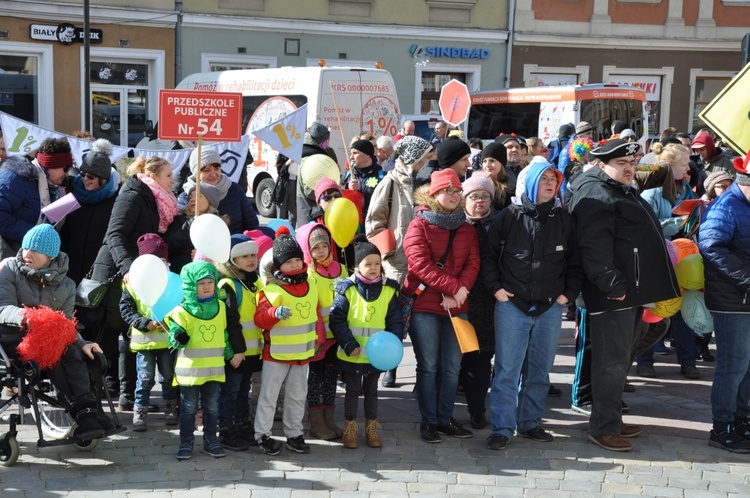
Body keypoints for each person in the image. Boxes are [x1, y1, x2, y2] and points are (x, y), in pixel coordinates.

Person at [567, 139, 680, 452]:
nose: (630, 168)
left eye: (632, 163)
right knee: (611, 362)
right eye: (622, 164)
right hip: (613, 294)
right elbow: (593, 246)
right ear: (603, 165)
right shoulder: (597, 193)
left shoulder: (619, 188)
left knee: (628, 351)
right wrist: (612, 284)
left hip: (632, 292)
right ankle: (603, 427)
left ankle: (611, 419)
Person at [482, 160, 582, 450]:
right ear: (531, 182)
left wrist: (567, 294)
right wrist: (496, 289)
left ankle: (530, 423)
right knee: (507, 370)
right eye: (545, 179)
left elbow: (575, 261)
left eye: (554, 179)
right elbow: (488, 257)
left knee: (539, 370)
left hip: (550, 307)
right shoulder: (508, 217)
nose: (550, 184)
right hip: (512, 305)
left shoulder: (564, 218)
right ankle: (502, 427)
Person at [0, 224, 113, 439]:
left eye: (35, 250)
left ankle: (89, 413)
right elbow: (2, 308)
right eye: (25, 248)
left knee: (76, 352)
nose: (27, 254)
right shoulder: (10, 269)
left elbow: (67, 325)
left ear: (51, 256)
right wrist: (31, 318)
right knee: (58, 351)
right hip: (13, 341)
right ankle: (86, 414)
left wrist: (82, 343)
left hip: (49, 341)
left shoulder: (67, 285)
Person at [92, 156, 180, 411]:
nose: (172, 180)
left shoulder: (155, 198)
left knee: (129, 335)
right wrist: (128, 267)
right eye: (168, 175)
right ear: (152, 176)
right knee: (115, 334)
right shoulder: (134, 194)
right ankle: (102, 399)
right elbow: (115, 233)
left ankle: (127, 396)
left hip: (138, 274)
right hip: (116, 272)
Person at [402, 168, 480, 443]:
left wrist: (461, 291)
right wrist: (454, 288)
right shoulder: (419, 224)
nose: (453, 194)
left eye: (457, 190)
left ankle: (445, 419)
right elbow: (419, 265)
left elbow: (473, 262)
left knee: (452, 368)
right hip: (426, 307)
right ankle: (429, 421)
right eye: (448, 190)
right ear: (434, 192)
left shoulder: (466, 227)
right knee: (429, 366)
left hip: (457, 305)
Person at [365, 135, 433, 388]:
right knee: (394, 317)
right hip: (398, 263)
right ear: (414, 156)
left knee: (422, 320)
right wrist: (389, 252)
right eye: (426, 154)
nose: (430, 159)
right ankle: (389, 365)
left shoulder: (427, 181)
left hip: (425, 263)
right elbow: (374, 222)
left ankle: (422, 375)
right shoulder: (391, 183)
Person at [253, 232, 325, 455]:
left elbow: (316, 315)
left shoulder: (312, 285)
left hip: (303, 354)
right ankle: (262, 435)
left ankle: (294, 434)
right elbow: (260, 319)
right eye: (288, 262)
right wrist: (274, 312)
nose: (294, 265)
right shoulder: (270, 291)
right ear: (278, 266)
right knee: (269, 396)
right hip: (275, 355)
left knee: (297, 396)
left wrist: (318, 339)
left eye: (296, 260)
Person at [329, 235, 403, 448]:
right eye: (367, 264)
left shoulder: (389, 290)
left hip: (376, 357)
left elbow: (395, 322)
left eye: (377, 264)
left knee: (372, 391)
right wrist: (349, 343)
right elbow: (337, 319)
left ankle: (371, 429)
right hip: (352, 353)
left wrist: (394, 346)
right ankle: (350, 429)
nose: (373, 268)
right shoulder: (347, 289)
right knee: (352, 391)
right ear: (356, 267)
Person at [698, 150, 750, 453]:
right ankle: (722, 427)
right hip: (732, 300)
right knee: (733, 365)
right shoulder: (726, 206)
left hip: (743, 297)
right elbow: (710, 246)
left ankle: (742, 420)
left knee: (746, 366)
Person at [636, 144, 700, 380]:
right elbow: (648, 227)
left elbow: (690, 215)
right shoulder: (651, 190)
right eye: (683, 164)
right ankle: (644, 359)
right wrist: (677, 222)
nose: (687, 169)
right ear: (669, 164)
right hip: (659, 256)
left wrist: (695, 217)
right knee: (657, 307)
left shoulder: (684, 188)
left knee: (684, 307)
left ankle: (688, 361)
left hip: (683, 253)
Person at [167, 261, 242, 460]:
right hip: (189, 374)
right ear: (191, 286)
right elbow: (173, 334)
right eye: (201, 284)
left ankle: (211, 441)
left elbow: (223, 334)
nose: (207, 286)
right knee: (189, 408)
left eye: (210, 282)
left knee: (212, 407)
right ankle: (186, 442)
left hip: (214, 371)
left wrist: (231, 353)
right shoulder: (182, 311)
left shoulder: (220, 307)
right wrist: (177, 337)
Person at [119, 234, 179, 431]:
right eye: (155, 261)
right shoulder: (132, 283)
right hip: (144, 341)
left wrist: (169, 322)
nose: (159, 265)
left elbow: (179, 307)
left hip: (166, 341)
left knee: (168, 376)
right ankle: (140, 410)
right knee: (145, 378)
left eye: (163, 261)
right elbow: (126, 309)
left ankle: (170, 407)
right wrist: (146, 323)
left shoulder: (172, 282)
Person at [295, 222, 347, 440]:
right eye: (315, 247)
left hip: (337, 336)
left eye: (324, 246)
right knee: (314, 380)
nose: (321, 251)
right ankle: (316, 423)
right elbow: (313, 308)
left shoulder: (341, 269)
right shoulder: (309, 274)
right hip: (319, 337)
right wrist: (319, 335)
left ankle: (329, 420)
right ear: (308, 250)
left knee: (330, 379)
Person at [216, 234, 264, 450]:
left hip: (252, 353)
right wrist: (236, 350)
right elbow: (231, 322)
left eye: (253, 254)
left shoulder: (254, 283)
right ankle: (226, 431)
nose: (251, 259)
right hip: (236, 353)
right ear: (233, 260)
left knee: (243, 393)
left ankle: (244, 427)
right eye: (245, 256)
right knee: (230, 393)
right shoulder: (228, 285)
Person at [459, 173, 497, 429]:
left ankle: (477, 410)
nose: (479, 201)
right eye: (474, 196)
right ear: (465, 200)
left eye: (484, 196)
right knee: (459, 358)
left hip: (491, 301)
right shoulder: (457, 226)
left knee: (483, 357)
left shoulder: (500, 224)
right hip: (460, 300)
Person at [0, 139, 72, 259]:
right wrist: (34, 234)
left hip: (34, 260)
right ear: (51, 164)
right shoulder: (15, 178)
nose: (67, 174)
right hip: (8, 258)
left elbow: (47, 224)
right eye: (65, 169)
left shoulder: (54, 187)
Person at [179, 146, 259, 235]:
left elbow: (252, 225)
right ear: (196, 173)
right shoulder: (186, 196)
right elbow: (180, 232)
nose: (213, 174)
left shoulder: (234, 189)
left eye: (216, 168)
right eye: (207, 170)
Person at [343, 139, 384, 214]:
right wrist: (348, 190)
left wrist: (360, 194)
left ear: (367, 154)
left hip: (373, 221)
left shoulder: (382, 176)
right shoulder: (347, 176)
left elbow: (383, 202)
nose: (351, 157)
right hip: (353, 222)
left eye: (355, 153)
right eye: (351, 153)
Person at [480, 143, 512, 210]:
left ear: (501, 163)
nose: (487, 165)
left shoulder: (511, 186)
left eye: (492, 160)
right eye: (484, 161)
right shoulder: (479, 185)